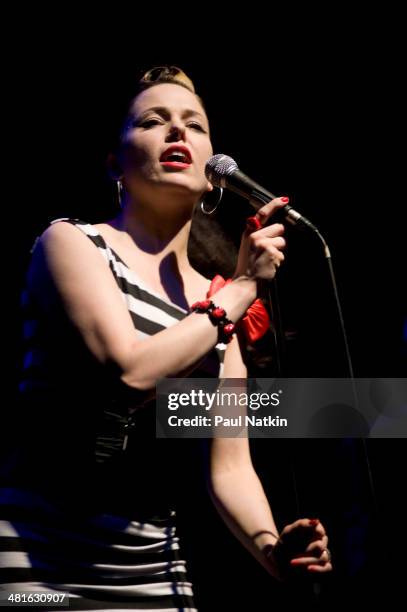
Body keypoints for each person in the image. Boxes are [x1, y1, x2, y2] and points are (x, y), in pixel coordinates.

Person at [0, 65, 332, 611]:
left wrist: (276, 554)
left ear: (213, 176)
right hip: (38, 557)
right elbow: (128, 374)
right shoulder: (72, 243)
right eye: (153, 121)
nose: (177, 133)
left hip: (154, 563)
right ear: (115, 164)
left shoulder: (218, 301)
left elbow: (230, 469)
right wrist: (244, 287)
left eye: (194, 125)